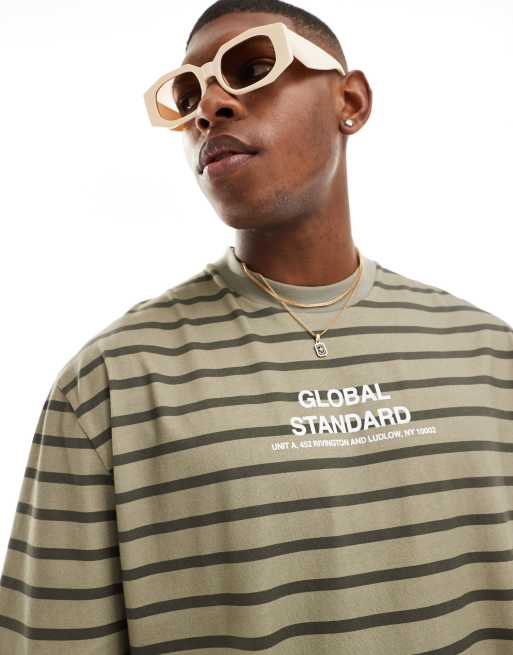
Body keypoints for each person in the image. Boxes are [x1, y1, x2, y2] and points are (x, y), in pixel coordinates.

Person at [1, 0, 512, 652]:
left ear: (351, 101)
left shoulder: (490, 357)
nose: (208, 108)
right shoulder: (112, 386)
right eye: (187, 96)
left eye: (251, 69)